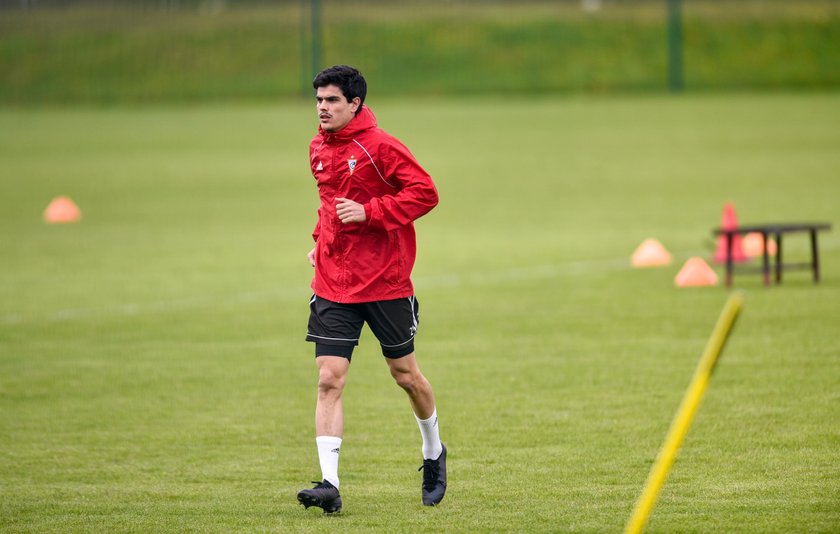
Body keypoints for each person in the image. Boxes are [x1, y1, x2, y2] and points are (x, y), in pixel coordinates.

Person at [296, 65, 446, 514]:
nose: (322, 108)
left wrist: (370, 212)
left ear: (354, 103)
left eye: (332, 101)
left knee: (406, 377)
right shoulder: (317, 148)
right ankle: (329, 483)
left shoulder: (380, 146)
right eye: (319, 100)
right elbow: (328, 205)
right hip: (333, 282)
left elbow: (425, 193)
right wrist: (319, 241)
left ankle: (434, 452)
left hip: (385, 281)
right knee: (329, 378)